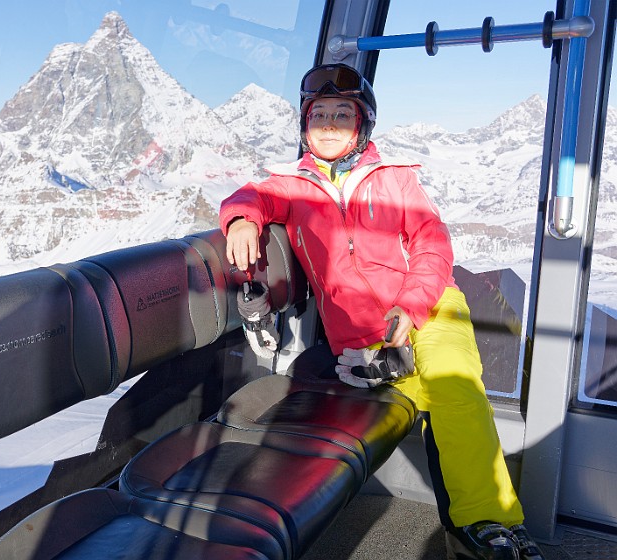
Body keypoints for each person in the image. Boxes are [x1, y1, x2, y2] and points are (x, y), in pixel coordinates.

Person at [219, 63, 545, 560]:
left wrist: (411, 307)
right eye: (318, 114)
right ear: (305, 126)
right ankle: (465, 528)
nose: (328, 123)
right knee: (430, 388)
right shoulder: (292, 185)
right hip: (364, 336)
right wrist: (242, 219)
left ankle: (487, 521)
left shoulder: (395, 179)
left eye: (341, 114)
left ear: (362, 125)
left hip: (431, 307)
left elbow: (433, 244)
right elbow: (254, 196)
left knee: (455, 384)